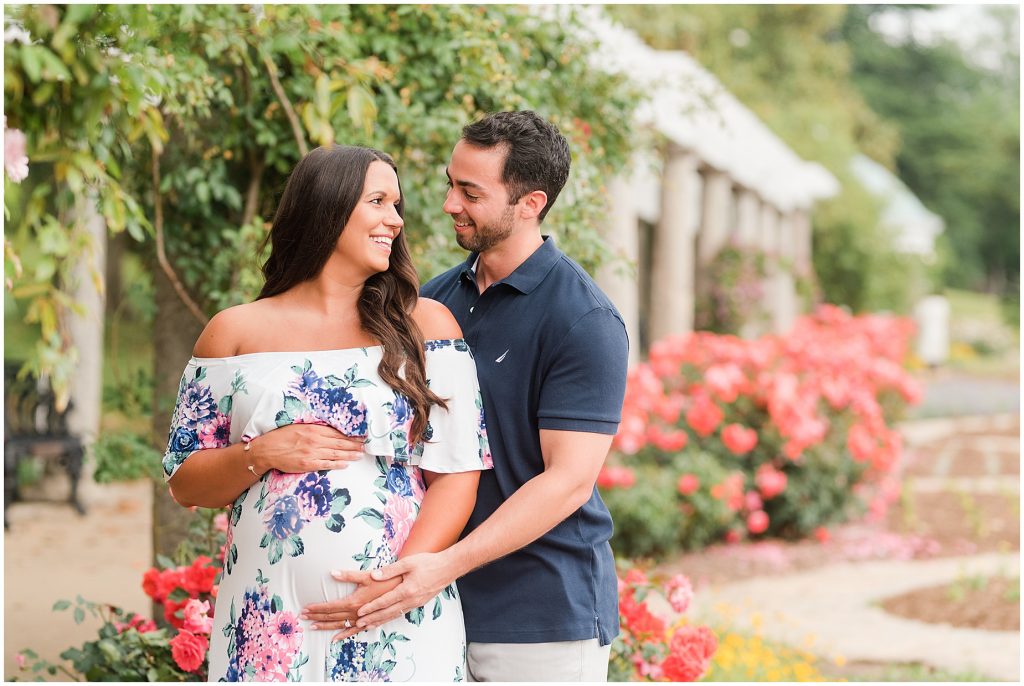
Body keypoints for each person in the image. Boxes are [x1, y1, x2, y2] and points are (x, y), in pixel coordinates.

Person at [162, 145, 492, 682]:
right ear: (327, 208)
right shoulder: (234, 332)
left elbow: (457, 474)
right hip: (266, 621)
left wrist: (397, 583)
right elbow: (185, 482)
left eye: (397, 204)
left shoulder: (427, 326)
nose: (396, 219)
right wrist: (261, 453)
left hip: (396, 617)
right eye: (379, 201)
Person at [331, 111, 629, 681]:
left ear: (530, 203)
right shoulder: (433, 302)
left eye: (470, 192)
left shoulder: (583, 319)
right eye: (450, 183)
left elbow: (567, 482)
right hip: (431, 604)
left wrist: (442, 567)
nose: (448, 203)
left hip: (540, 619)